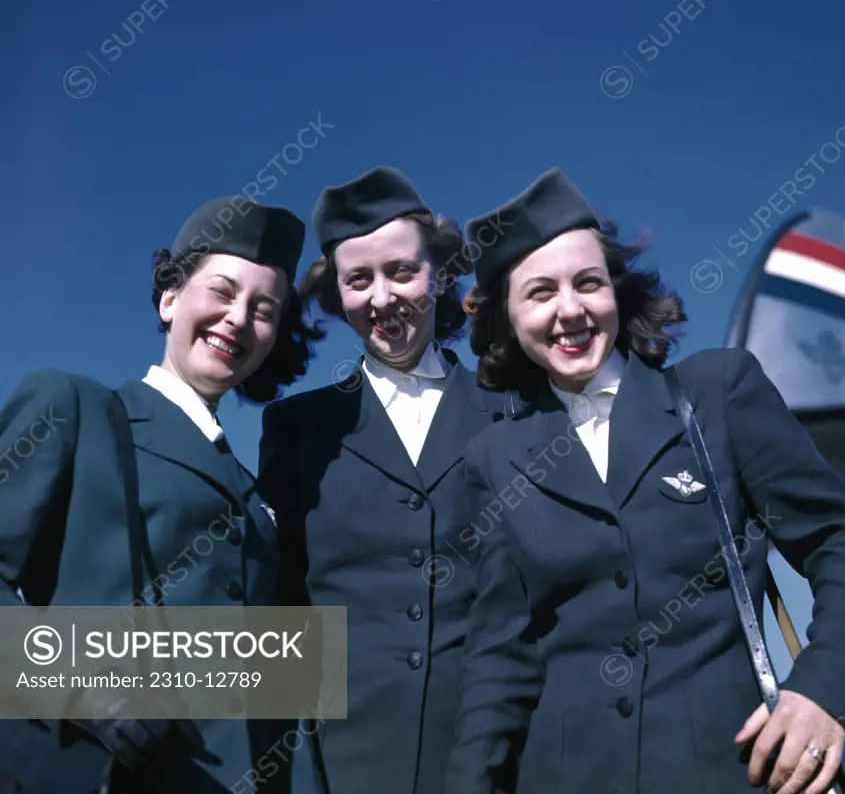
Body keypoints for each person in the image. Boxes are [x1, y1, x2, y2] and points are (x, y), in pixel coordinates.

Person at [444, 168, 845, 794]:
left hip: (731, 772)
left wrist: (823, 691)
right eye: (540, 293)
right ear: (509, 320)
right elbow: (500, 659)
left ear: (617, 292)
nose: (570, 310)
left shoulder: (718, 393)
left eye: (588, 283)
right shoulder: (493, 458)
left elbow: (844, 542)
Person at [0, 196, 324, 794]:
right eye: (222, 292)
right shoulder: (74, 408)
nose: (237, 318)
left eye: (263, 310)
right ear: (170, 297)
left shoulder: (259, 499)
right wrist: (75, 686)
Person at [257, 166, 524, 794]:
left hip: (506, 761)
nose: (382, 298)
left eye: (403, 271)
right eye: (359, 279)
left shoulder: (516, 410)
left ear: (440, 272)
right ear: (337, 294)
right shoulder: (295, 428)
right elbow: (281, 605)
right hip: (343, 766)